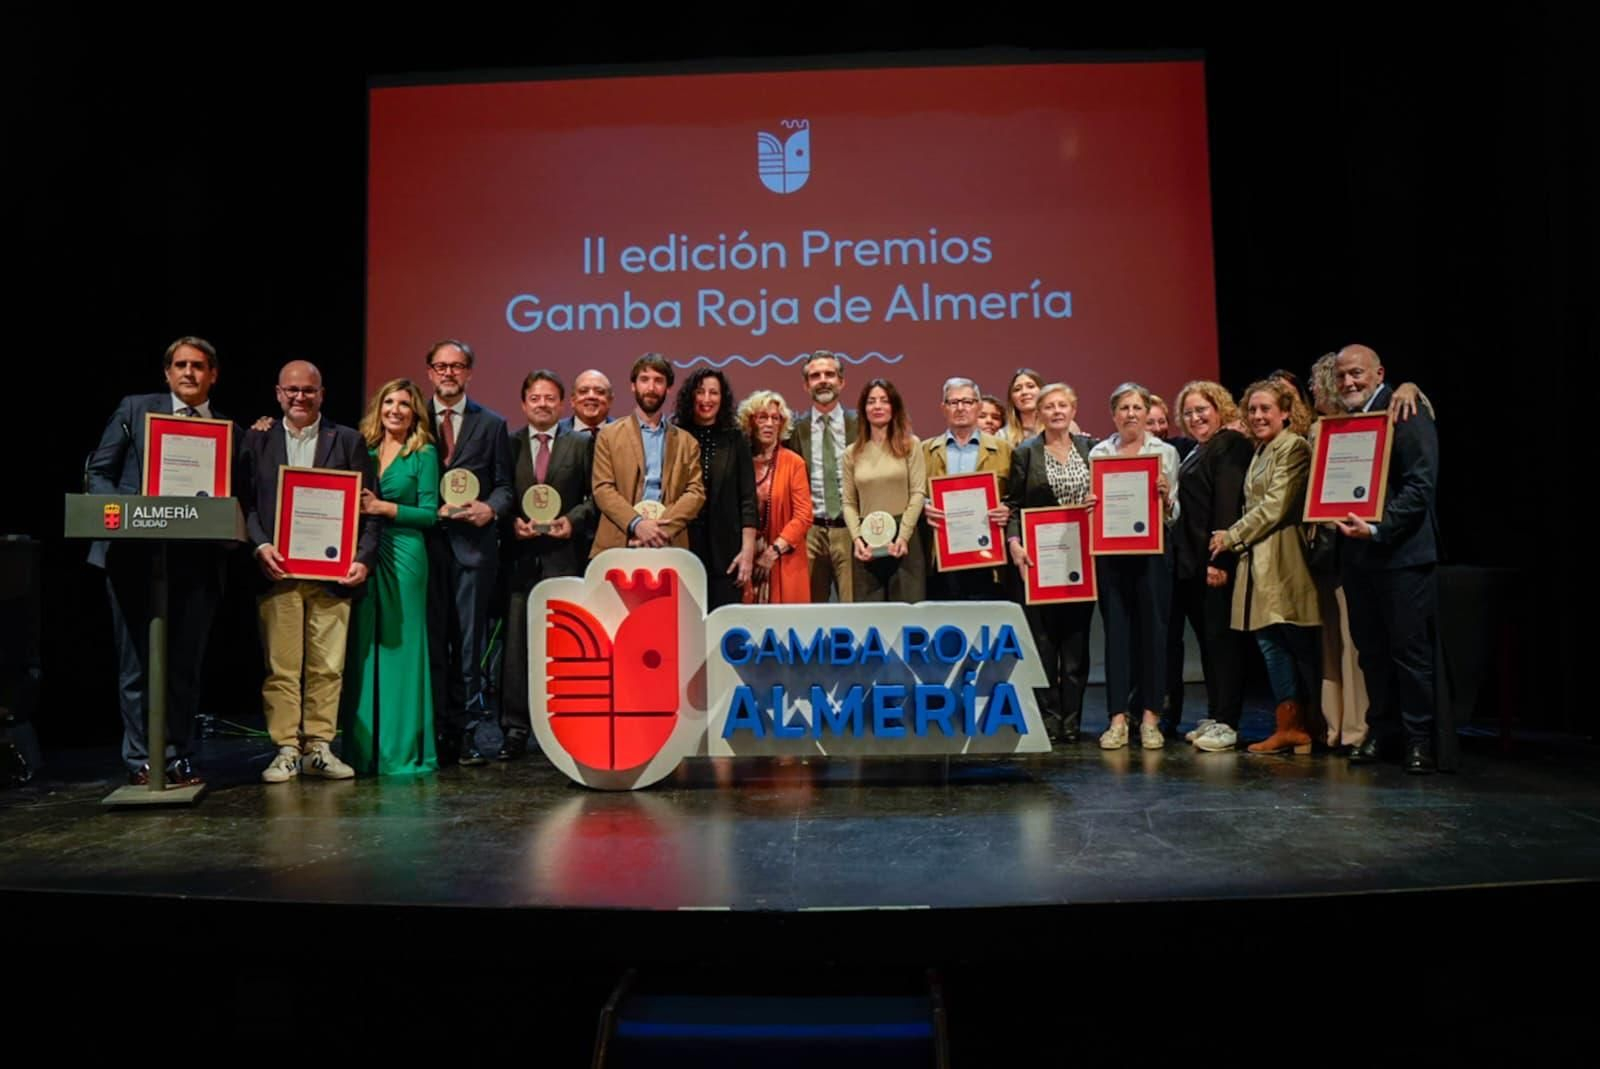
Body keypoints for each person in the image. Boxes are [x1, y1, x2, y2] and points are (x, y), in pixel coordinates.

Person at [85, 336, 234, 787]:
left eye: (199, 366)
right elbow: (99, 472)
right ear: (167, 373)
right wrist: (136, 517)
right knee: (136, 665)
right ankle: (140, 761)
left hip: (197, 562)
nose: (189, 373)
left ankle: (179, 756)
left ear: (213, 375)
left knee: (184, 666)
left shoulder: (227, 426)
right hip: (134, 556)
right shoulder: (135, 409)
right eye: (181, 365)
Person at [241, 360, 378, 783]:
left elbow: (371, 508)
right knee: (282, 667)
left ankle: (319, 747)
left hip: (333, 575)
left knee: (328, 667)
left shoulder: (349, 441)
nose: (300, 397)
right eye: (292, 390)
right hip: (278, 571)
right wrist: (260, 545)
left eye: (309, 390)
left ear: (322, 394)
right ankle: (286, 748)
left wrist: (363, 558)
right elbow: (243, 503)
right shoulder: (257, 439)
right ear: (279, 393)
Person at [1332, 345, 1444, 773]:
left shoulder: (1405, 409)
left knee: (1408, 653)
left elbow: (1420, 485)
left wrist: (1379, 528)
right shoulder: (1345, 422)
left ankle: (1419, 740)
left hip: (1402, 555)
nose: (1349, 383)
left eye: (1356, 374)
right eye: (1342, 376)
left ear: (1379, 373)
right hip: (1358, 556)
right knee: (1371, 652)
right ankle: (1383, 731)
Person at [1210, 379, 1321, 754]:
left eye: (1265, 409)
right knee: (1271, 643)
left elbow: (1276, 506)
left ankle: (1312, 723)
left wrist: (1232, 535)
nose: (1257, 416)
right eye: (1252, 410)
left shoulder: (1293, 447)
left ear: (1286, 412)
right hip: (1260, 558)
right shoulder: (1262, 450)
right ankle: (1290, 724)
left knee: (1294, 641)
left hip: (1282, 555)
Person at [341, 378, 440, 776]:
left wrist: (384, 507)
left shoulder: (424, 453)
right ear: (378, 408)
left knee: (402, 652)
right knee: (363, 649)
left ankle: (400, 752)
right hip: (364, 553)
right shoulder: (359, 448)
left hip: (405, 555)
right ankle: (362, 751)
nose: (395, 410)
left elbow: (431, 513)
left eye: (404, 404)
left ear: (415, 411)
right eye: (388, 402)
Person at [423, 339, 514, 766]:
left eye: (456, 366)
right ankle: (436, 731)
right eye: (441, 366)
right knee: (431, 645)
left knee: (470, 648)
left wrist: (490, 509)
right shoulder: (411, 417)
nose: (448, 373)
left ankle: (471, 733)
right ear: (430, 372)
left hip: (473, 552)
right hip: (422, 548)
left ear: (469, 373)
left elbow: (505, 486)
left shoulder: (492, 424)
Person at [498, 370, 597, 761]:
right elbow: (501, 493)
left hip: (564, 558)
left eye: (549, 398)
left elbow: (594, 497)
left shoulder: (581, 444)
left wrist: (572, 520)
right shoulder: (508, 444)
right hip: (521, 560)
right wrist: (511, 524)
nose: (542, 404)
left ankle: (570, 726)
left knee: (568, 646)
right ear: (524, 404)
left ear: (562, 404)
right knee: (517, 649)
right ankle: (515, 731)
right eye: (535, 398)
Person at [1003, 383, 1096, 742]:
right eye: (1050, 407)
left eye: (1063, 405)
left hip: (1080, 561)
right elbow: (1012, 505)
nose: (1057, 411)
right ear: (1038, 414)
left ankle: (1072, 721)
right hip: (1038, 561)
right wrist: (1014, 542)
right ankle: (1047, 718)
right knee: (1043, 644)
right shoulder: (1026, 452)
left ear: (1073, 410)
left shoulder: (1091, 449)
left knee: (1076, 645)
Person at [1090, 383, 1181, 750]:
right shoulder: (1099, 451)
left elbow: (1174, 514)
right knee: (1117, 637)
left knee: (1154, 637)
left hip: (1152, 555)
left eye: (1136, 407)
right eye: (1123, 408)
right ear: (1113, 415)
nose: (1130, 414)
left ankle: (1149, 720)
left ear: (1147, 413)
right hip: (1112, 555)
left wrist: (1164, 498)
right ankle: (1116, 720)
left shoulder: (1165, 453)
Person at [1165, 381, 1254, 751]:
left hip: (1215, 561)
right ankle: (1218, 715)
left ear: (1220, 408)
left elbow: (1226, 504)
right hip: (1193, 563)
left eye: (1202, 409)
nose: (1195, 417)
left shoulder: (1229, 444)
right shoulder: (1198, 450)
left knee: (1222, 645)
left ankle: (1228, 721)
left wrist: (1220, 560)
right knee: (1210, 644)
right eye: (1188, 413)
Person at [590, 354, 705, 555]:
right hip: (620, 542)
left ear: (668, 388)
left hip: (668, 543)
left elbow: (695, 493)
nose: (651, 388)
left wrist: (660, 531)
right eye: (644, 380)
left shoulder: (687, 442)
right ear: (633, 386)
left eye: (658, 381)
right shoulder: (608, 435)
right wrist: (637, 524)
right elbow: (602, 488)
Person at [922, 377, 1012, 600]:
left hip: (988, 558)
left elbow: (1016, 497)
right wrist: (923, 507)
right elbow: (915, 494)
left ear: (979, 406)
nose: (960, 408)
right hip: (941, 556)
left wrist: (1007, 508)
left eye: (967, 402)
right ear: (943, 408)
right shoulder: (925, 450)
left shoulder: (1004, 450)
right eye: (953, 403)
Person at [675, 368, 757, 609]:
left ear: (723, 398)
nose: (707, 399)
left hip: (728, 552)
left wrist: (747, 552)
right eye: (700, 392)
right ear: (691, 396)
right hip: (685, 545)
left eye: (714, 393)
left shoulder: (736, 438)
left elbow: (747, 498)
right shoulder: (676, 435)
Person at [844, 378, 926, 602]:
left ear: (894, 407)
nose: (878, 406)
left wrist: (903, 536)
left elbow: (918, 492)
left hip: (904, 539)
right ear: (864, 409)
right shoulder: (852, 453)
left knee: (909, 616)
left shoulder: (911, 445)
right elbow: (849, 503)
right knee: (870, 621)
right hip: (867, 542)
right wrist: (858, 539)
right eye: (871, 402)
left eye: (884, 401)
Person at [785, 351, 858, 603]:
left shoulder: (861, 425)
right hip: (810, 532)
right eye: (815, 376)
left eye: (829, 374)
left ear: (841, 381)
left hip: (851, 531)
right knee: (810, 610)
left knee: (854, 609)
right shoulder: (793, 430)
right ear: (806, 386)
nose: (823, 380)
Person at [738, 390, 813, 604]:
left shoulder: (794, 462)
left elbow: (803, 516)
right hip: (745, 557)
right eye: (763, 417)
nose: (769, 423)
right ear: (750, 422)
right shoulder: (739, 461)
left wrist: (772, 552)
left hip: (782, 557)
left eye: (775, 418)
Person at [1001, 368, 1044, 445]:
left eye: (1030, 386)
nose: (1024, 392)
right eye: (1017, 389)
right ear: (1012, 399)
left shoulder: (1059, 429)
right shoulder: (1002, 436)